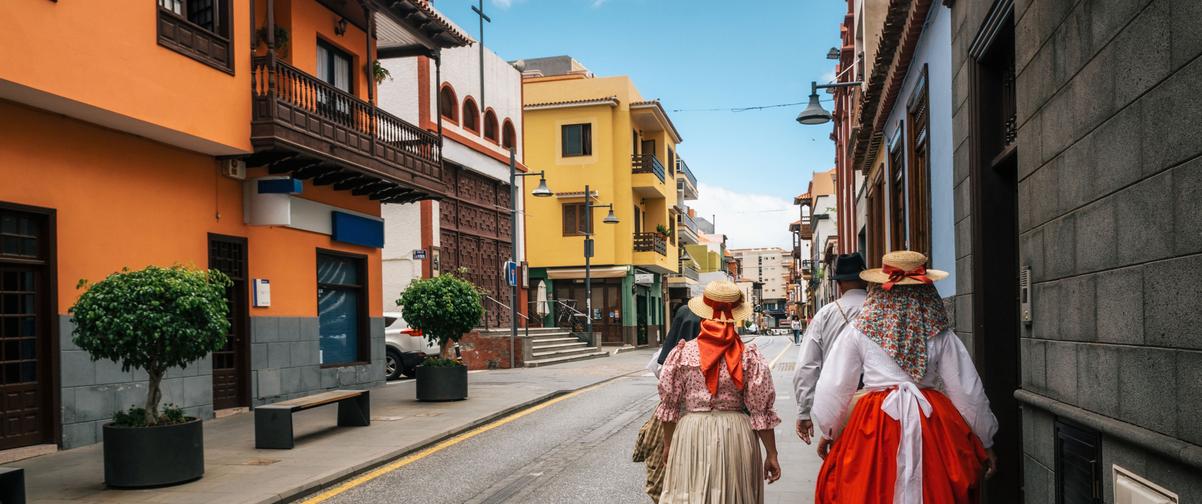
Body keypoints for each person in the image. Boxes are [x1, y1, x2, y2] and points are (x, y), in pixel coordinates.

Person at [811, 251, 998, 503]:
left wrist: (830, 430)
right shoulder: (939, 333)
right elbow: (967, 391)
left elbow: (834, 387)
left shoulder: (861, 329)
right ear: (925, 288)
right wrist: (985, 439)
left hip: (875, 424)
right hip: (932, 421)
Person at [656, 281, 781, 503]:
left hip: (691, 433)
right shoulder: (749, 356)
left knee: (691, 493)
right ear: (734, 315)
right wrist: (772, 453)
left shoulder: (682, 353)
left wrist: (668, 445)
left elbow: (670, 406)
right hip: (735, 435)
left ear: (703, 314)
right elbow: (759, 410)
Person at [791, 252, 868, 444]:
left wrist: (804, 411)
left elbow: (806, 365)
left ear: (839, 285)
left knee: (842, 463)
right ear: (866, 280)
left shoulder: (825, 314)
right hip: (879, 403)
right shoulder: (881, 310)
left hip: (838, 405)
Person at [633, 304, 704, 503]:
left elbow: (660, 373)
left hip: (672, 418)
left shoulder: (668, 356)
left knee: (664, 480)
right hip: (708, 422)